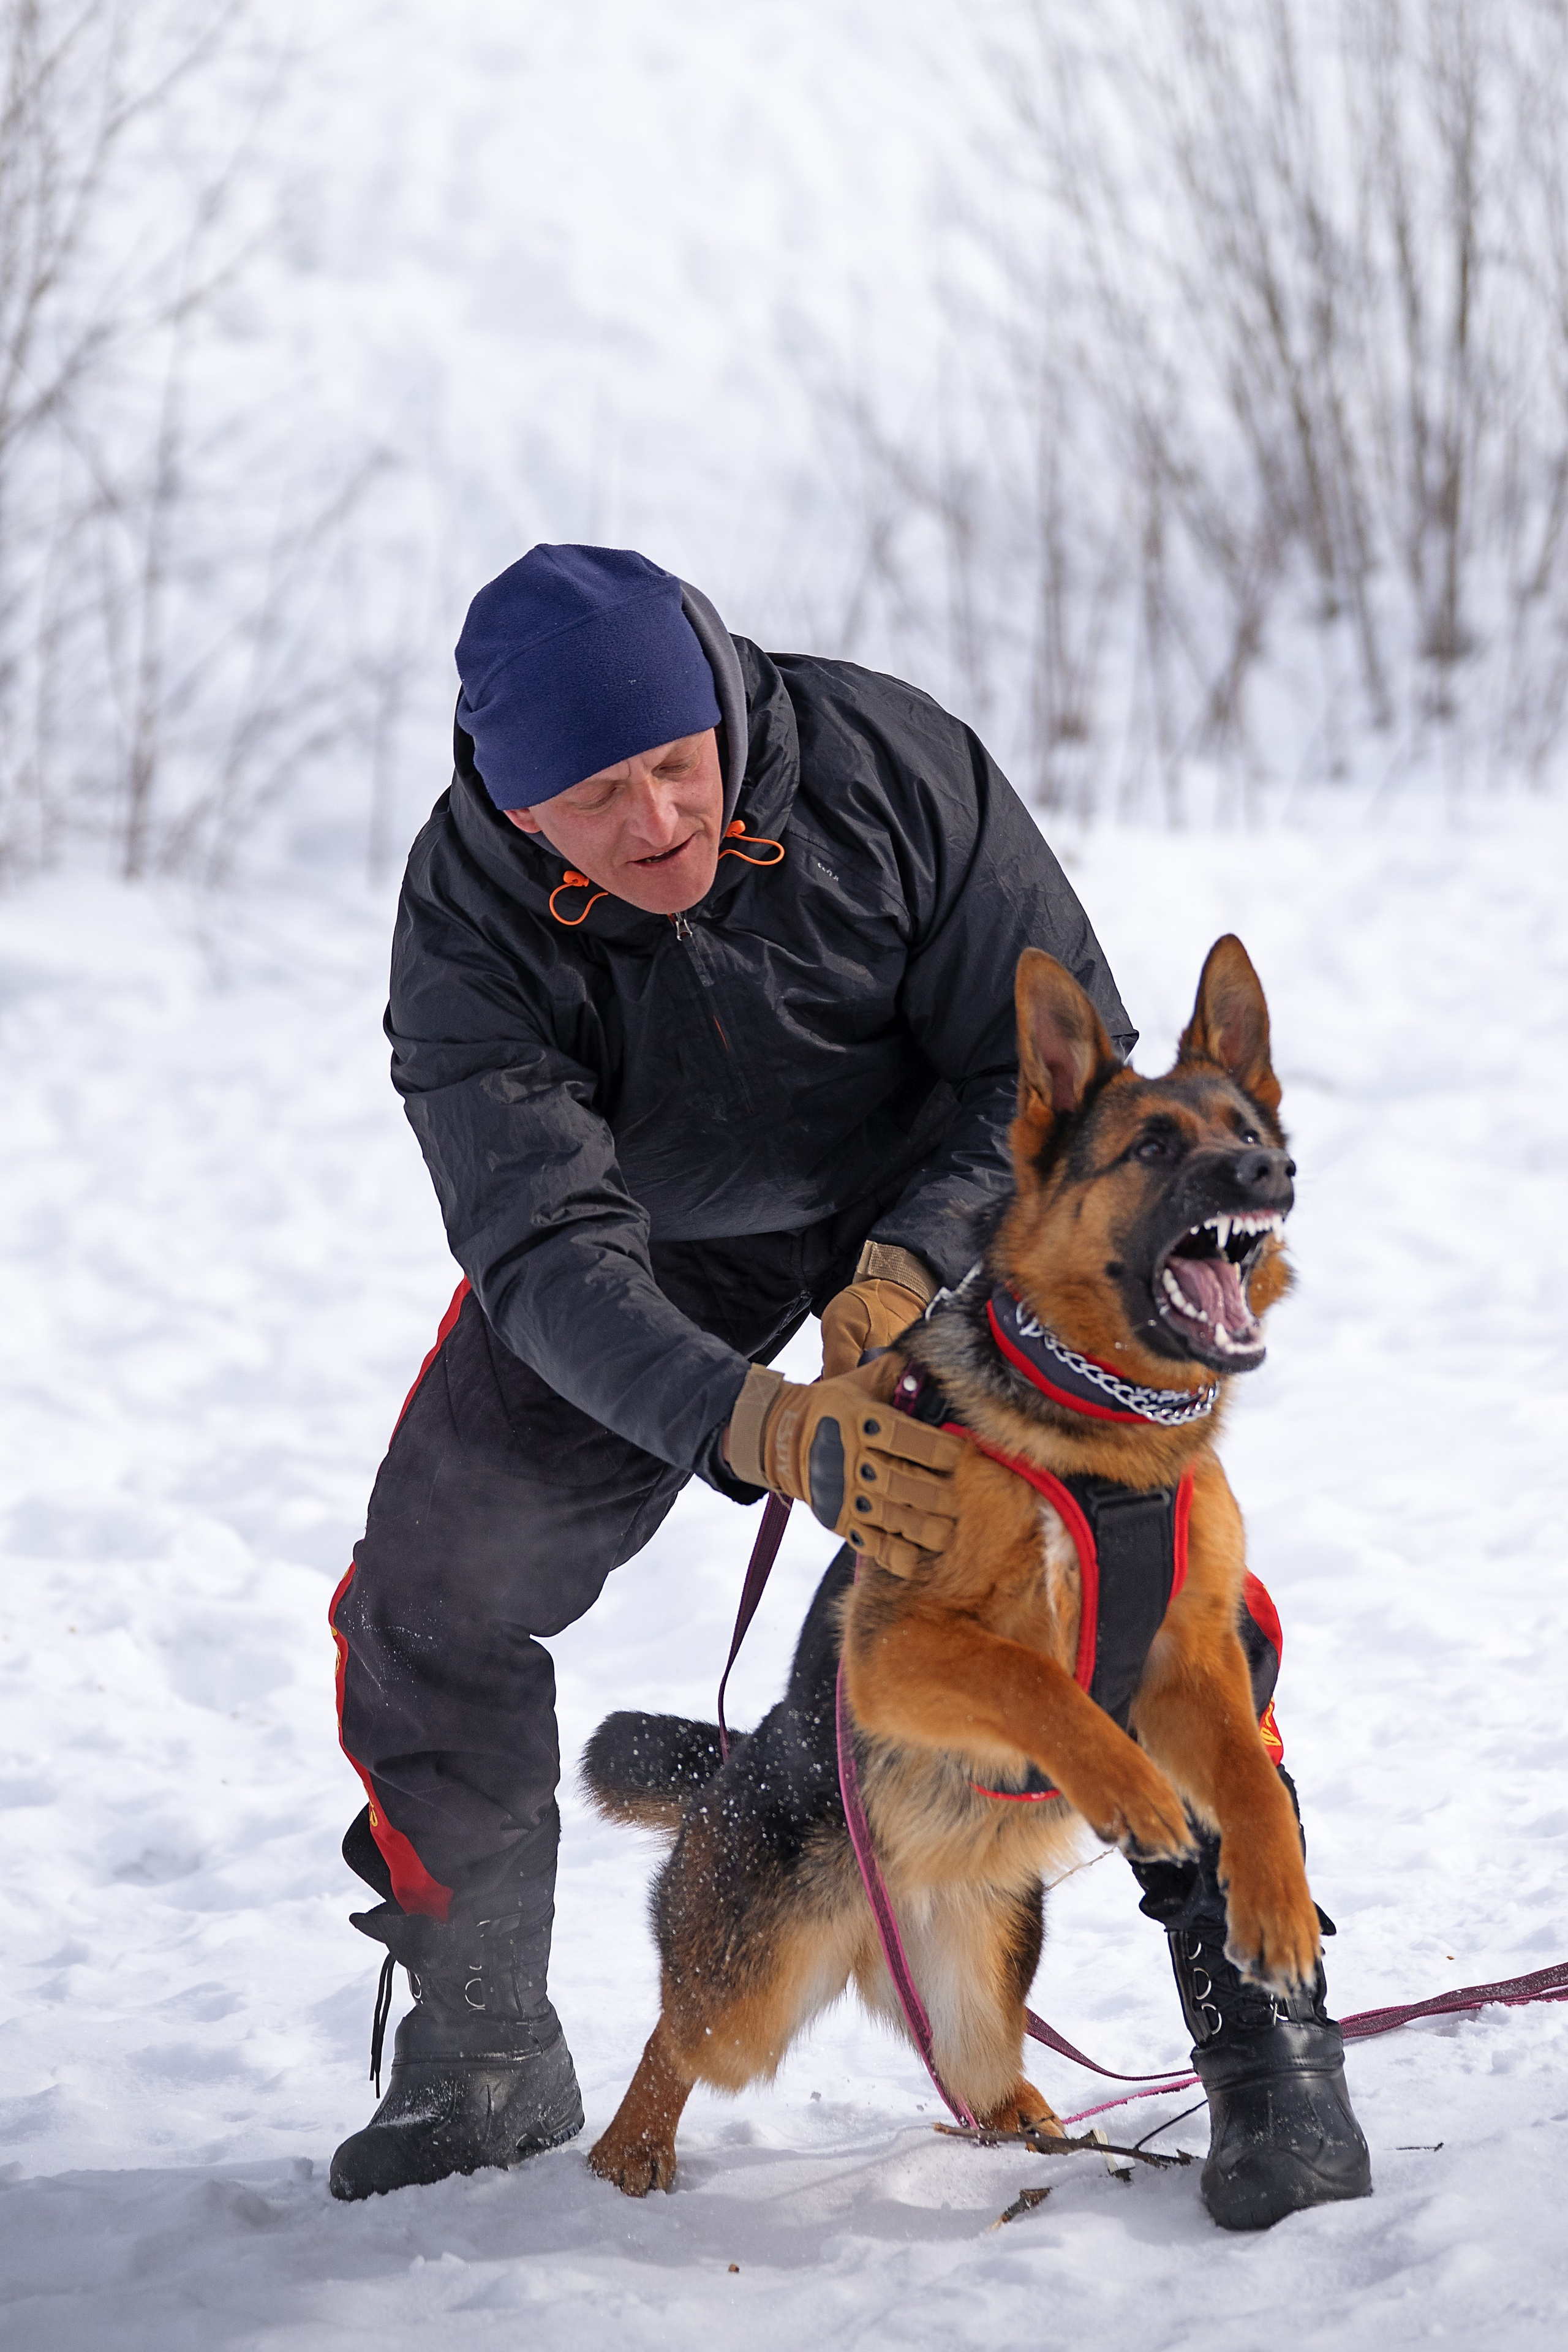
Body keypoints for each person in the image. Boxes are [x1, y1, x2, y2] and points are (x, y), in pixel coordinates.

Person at [327, 545, 1370, 2226]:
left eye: (680, 762)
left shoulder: (894, 769)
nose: (660, 818)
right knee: (428, 1598)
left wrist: (900, 1273)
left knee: (1169, 1601)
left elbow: (1053, 1061)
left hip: (951, 1221)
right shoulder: (463, 939)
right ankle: (481, 2039)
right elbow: (541, 1249)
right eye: (602, 798)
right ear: (523, 814)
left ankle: (1267, 2037)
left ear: (723, 711)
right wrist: (749, 1416)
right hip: (647, 1258)